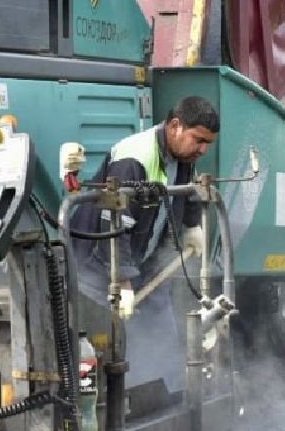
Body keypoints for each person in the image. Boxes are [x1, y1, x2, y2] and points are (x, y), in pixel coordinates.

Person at [70, 96, 219, 409]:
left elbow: (185, 192)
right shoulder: (134, 159)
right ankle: (115, 407)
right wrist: (122, 280)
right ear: (176, 126)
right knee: (110, 341)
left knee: (160, 328)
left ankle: (168, 402)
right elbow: (113, 225)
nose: (203, 149)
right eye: (199, 140)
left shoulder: (183, 156)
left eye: (208, 143)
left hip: (141, 263)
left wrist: (192, 227)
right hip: (97, 266)